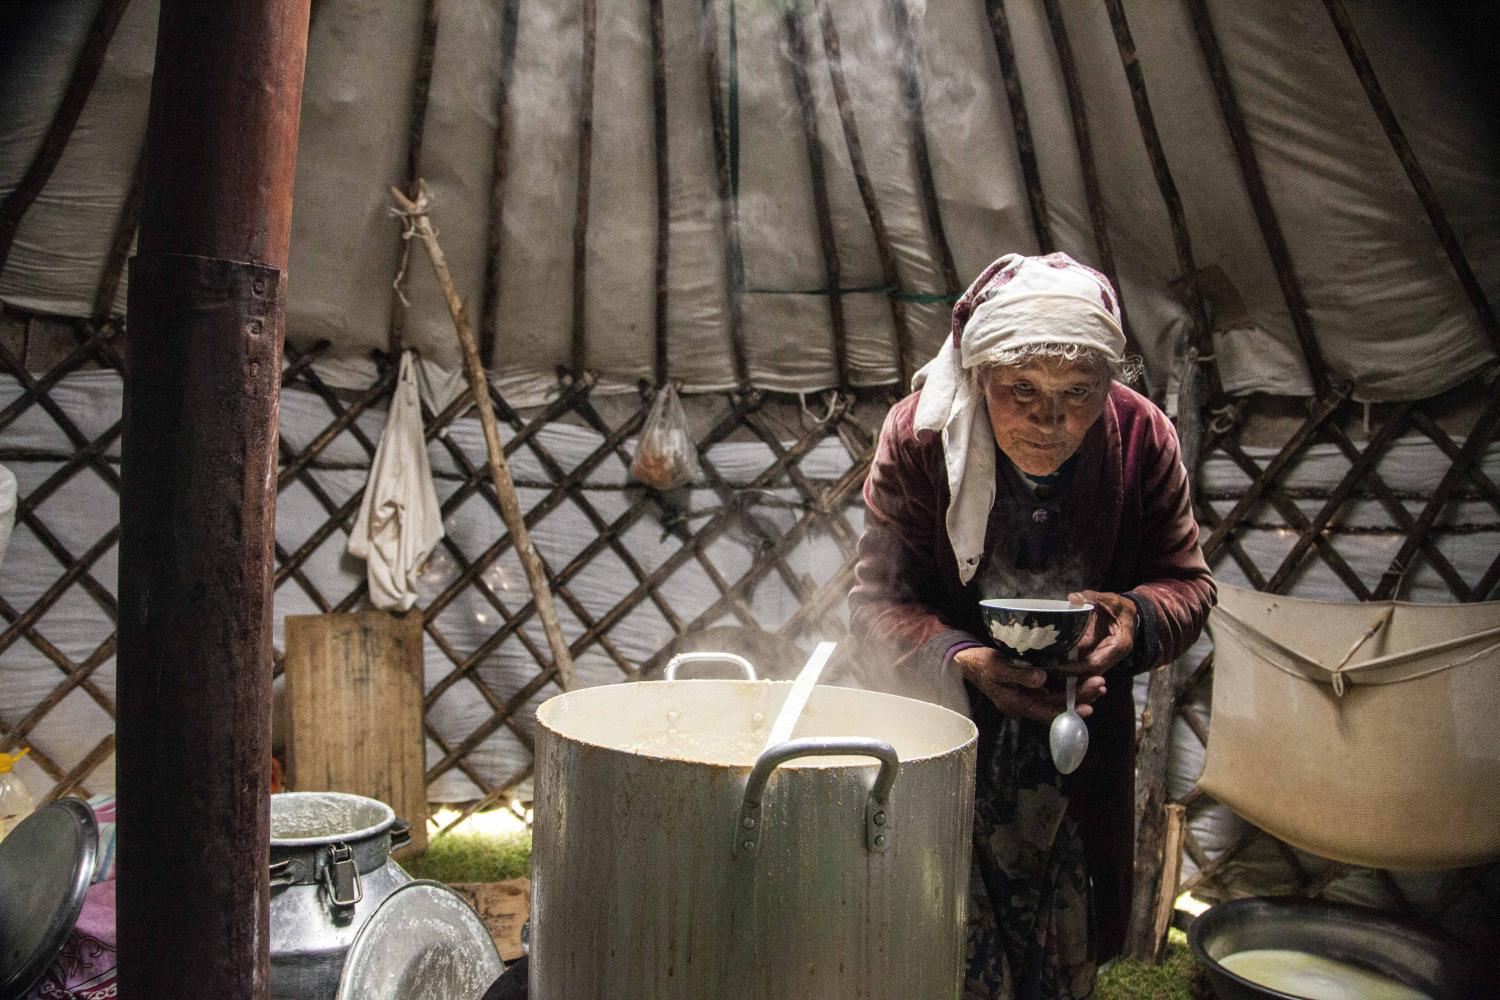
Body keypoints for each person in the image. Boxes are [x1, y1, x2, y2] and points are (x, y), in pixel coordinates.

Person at [849, 252, 1215, 1000]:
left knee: (1066, 966)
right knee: (939, 954)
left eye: (1078, 392)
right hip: (945, 745)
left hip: (1082, 742)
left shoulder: (1142, 435)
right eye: (1023, 390)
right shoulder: (922, 438)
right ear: (980, 375)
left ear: (1108, 384)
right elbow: (874, 606)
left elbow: (1188, 584)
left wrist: (1131, 621)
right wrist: (964, 661)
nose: (1051, 419)